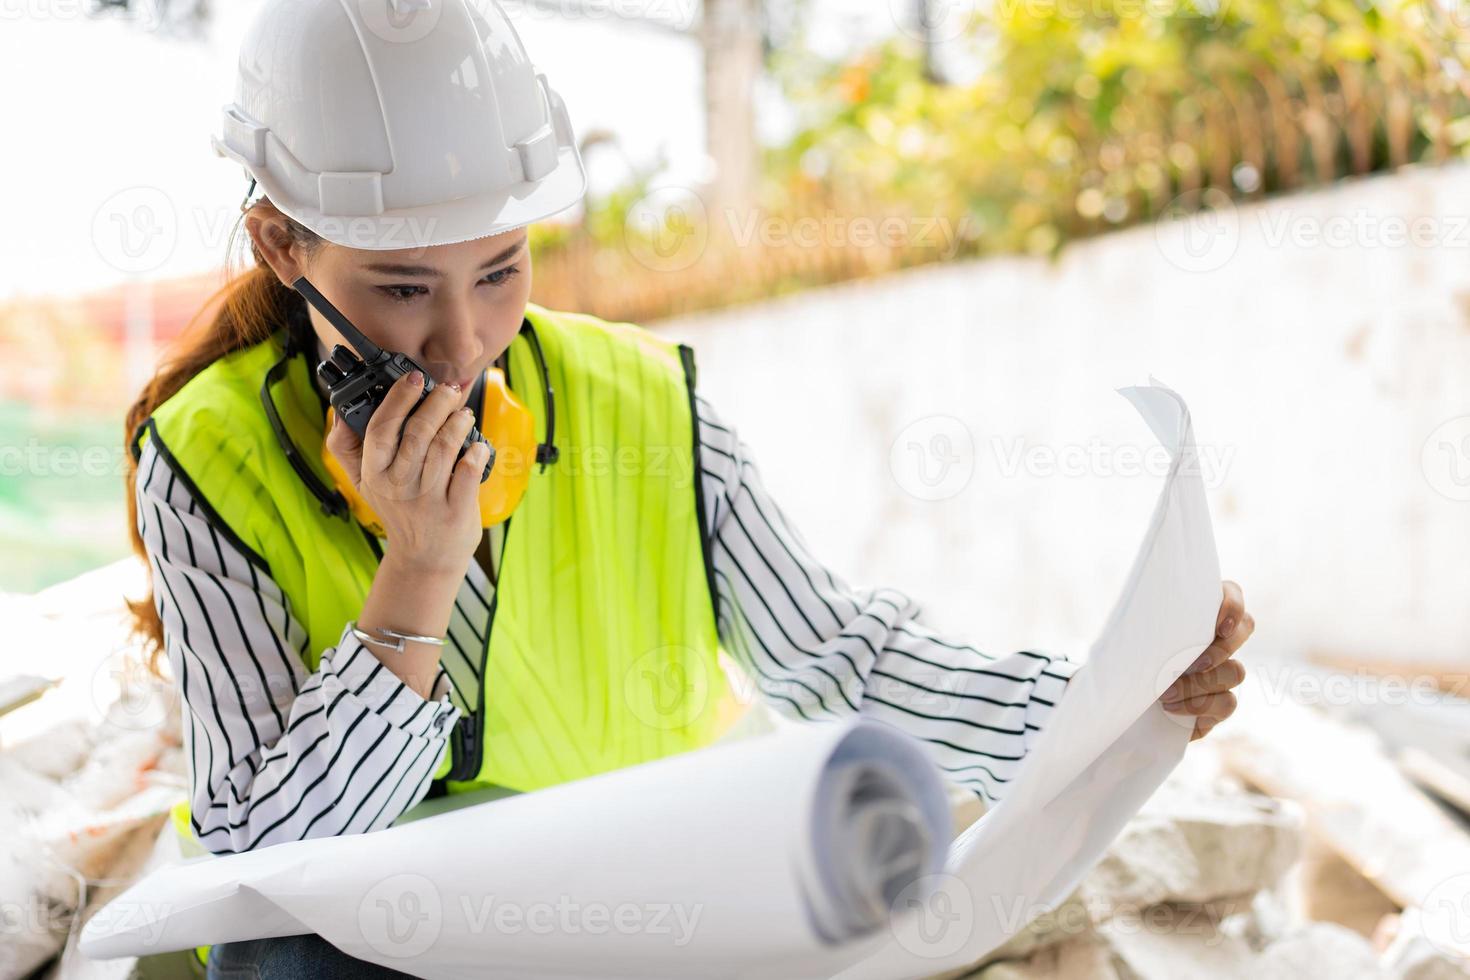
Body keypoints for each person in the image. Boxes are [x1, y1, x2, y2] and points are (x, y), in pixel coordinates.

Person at [121, 1, 1253, 976]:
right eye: (402, 287)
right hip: (358, 927)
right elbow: (261, 850)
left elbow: (839, 654)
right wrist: (417, 576)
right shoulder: (207, 454)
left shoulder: (644, 403)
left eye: (500, 269)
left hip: (621, 909)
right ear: (280, 247)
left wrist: (1106, 699)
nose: (462, 342)